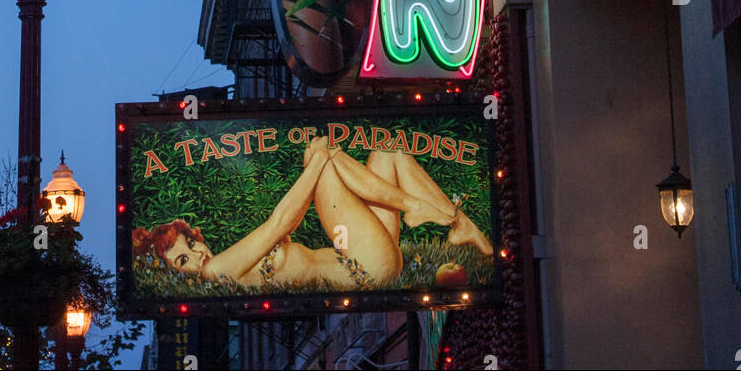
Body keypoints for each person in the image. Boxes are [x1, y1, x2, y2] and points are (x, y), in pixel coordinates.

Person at [132, 137, 493, 292]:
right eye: (183, 260)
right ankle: (413, 207)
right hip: (366, 271)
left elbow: (283, 226)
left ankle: (461, 226)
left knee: (389, 151)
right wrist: (317, 161)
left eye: (191, 244)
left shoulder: (226, 263)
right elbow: (280, 223)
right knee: (322, 158)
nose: (198, 255)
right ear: (173, 276)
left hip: (367, 259)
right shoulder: (215, 272)